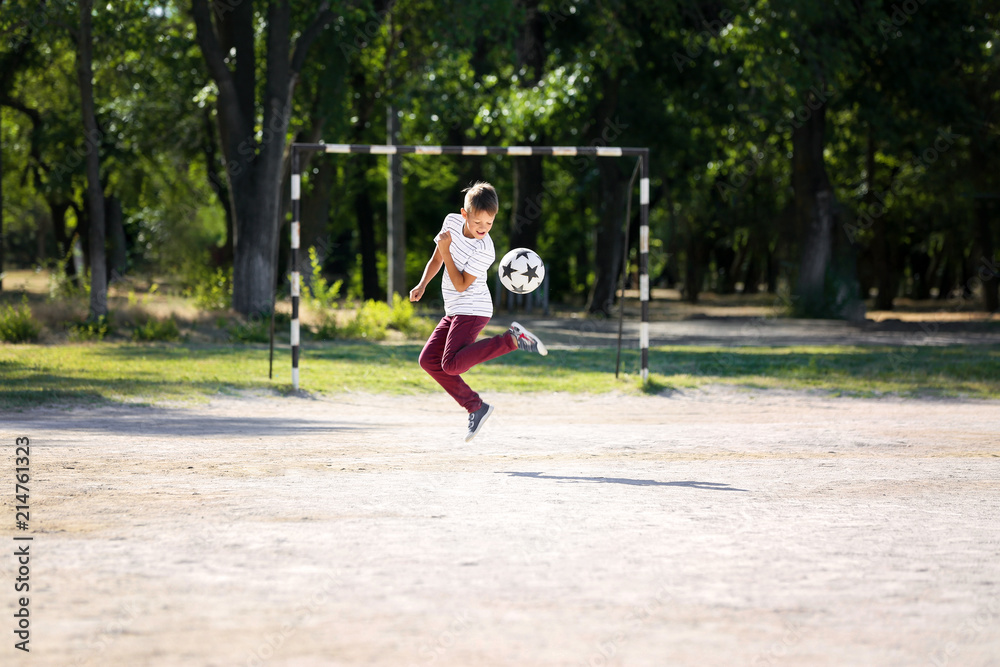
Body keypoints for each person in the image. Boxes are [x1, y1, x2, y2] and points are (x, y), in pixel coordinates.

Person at [410, 182, 547, 442]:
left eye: (489, 224)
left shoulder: (486, 250)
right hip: (454, 309)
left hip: (473, 309)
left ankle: (511, 340)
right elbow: (437, 258)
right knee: (428, 360)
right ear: (464, 214)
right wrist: (422, 283)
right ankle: (476, 407)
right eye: (477, 223)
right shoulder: (451, 222)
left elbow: (461, 284)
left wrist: (446, 250)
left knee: (450, 365)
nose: (483, 229)